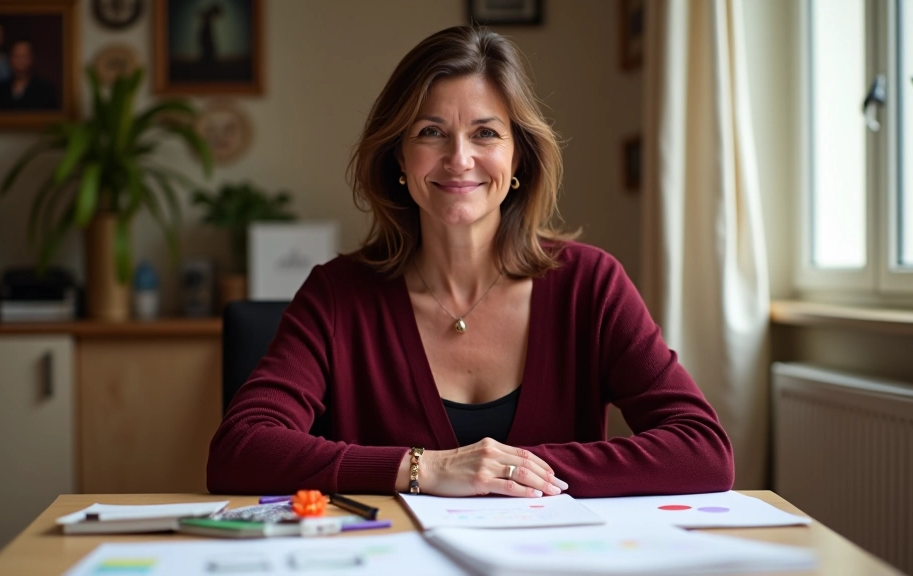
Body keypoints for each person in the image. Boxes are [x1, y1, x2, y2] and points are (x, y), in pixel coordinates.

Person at [207, 26, 734, 498]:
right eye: (430, 132)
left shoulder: (589, 283)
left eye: (485, 133)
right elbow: (241, 451)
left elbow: (704, 451)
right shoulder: (337, 294)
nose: (459, 159)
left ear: (518, 156)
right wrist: (424, 469)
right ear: (398, 158)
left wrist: (504, 471)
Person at [0, 40, 58, 111]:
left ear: (32, 58)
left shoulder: (45, 89)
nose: (20, 61)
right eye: (17, 56)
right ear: (10, 59)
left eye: (24, 56)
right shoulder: (1, 90)